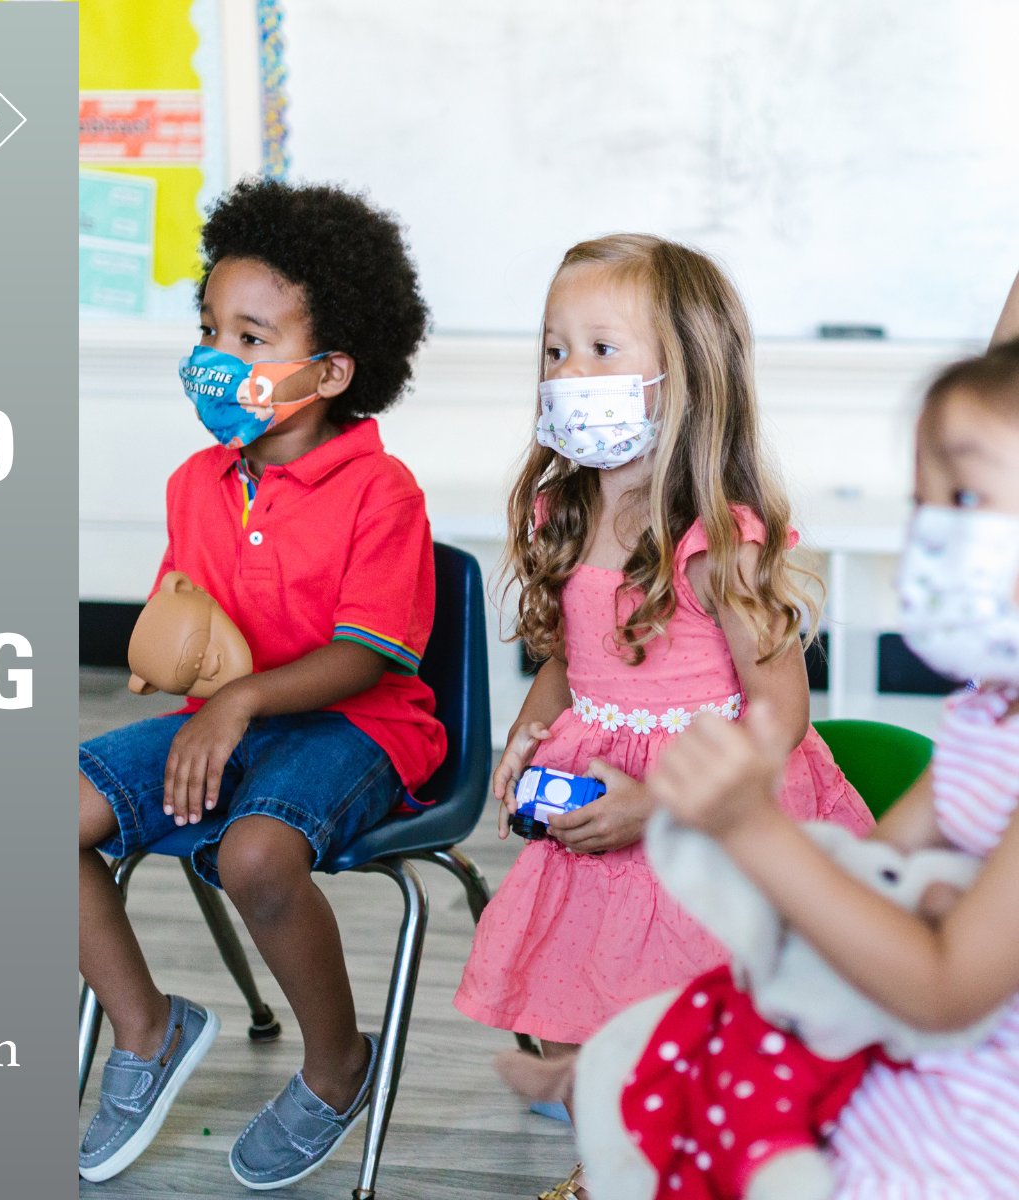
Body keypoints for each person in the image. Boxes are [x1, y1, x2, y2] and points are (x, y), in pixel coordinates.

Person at [450, 234, 874, 1199]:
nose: (570, 373)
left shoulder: (722, 537)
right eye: (557, 351)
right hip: (598, 799)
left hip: (711, 813)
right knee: (576, 1011)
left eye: (604, 350)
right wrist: (527, 731)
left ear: (685, 375)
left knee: (688, 1014)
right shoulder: (564, 512)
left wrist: (661, 805)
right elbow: (570, 653)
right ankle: (629, 1158)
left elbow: (779, 714)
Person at [77, 179, 444, 1190]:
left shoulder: (381, 489)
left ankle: (337, 1069)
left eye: (250, 338)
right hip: (227, 726)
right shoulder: (197, 481)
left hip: (359, 729)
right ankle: (147, 1031)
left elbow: (366, 655)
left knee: (255, 856)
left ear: (329, 369)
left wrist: (235, 701)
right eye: (208, 330)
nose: (215, 359)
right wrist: (175, 659)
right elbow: (187, 622)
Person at [648, 327, 1019, 1198]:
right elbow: (875, 871)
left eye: (964, 499)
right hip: (891, 1121)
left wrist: (751, 827)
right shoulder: (985, 711)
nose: (930, 536)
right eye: (922, 504)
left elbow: (943, 987)